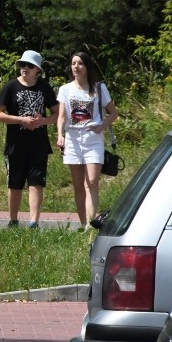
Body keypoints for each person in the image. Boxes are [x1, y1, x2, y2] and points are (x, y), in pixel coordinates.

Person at [0, 50, 59, 228]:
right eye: (22, 64)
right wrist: (21, 120)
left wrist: (42, 121)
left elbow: (57, 114)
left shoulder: (44, 87)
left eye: (29, 66)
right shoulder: (11, 86)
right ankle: (13, 220)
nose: (25, 68)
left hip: (39, 144)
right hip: (16, 144)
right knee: (15, 183)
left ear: (37, 69)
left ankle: (33, 222)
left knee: (36, 182)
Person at [55, 51, 119, 228]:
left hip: (93, 138)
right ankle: (83, 224)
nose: (76, 67)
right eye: (74, 63)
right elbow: (61, 116)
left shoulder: (99, 88)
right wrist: (60, 135)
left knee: (91, 181)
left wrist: (101, 127)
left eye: (80, 63)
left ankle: (92, 225)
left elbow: (113, 113)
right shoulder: (65, 89)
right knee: (78, 186)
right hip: (73, 139)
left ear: (87, 67)